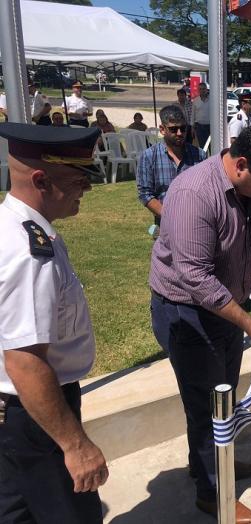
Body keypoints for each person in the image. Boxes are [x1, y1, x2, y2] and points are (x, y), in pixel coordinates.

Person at [150, 124, 251, 521]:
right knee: (207, 406)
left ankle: (209, 464)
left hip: (226, 310)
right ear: (241, 165)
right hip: (187, 314)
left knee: (221, 397)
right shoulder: (193, 193)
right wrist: (249, 323)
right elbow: (195, 277)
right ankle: (212, 492)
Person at [0, 123, 108, 523]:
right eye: (79, 178)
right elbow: (25, 361)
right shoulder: (30, 253)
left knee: (16, 511)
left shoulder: (14, 228)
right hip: (36, 414)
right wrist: (75, 445)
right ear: (41, 179)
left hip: (18, 412)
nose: (89, 188)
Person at [136, 105, 207, 231]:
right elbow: (145, 194)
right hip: (165, 225)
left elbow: (207, 190)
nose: (180, 133)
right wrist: (170, 216)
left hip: (196, 224)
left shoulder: (199, 155)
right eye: (173, 129)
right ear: (162, 129)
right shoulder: (149, 156)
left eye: (183, 128)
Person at [191, 83, 211, 148]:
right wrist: (192, 128)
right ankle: (204, 158)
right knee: (202, 147)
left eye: (203, 89)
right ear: (198, 90)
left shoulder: (212, 100)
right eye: (200, 89)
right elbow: (193, 115)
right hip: (200, 127)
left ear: (206, 90)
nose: (202, 90)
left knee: (211, 146)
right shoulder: (195, 101)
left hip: (210, 127)